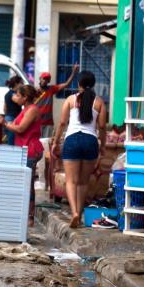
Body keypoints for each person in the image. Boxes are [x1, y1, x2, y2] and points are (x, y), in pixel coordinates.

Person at [51, 71, 107, 228]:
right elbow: (102, 126)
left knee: (71, 180)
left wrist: (55, 142)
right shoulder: (99, 102)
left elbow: (62, 123)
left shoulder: (70, 99)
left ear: (79, 84)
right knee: (83, 182)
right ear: (93, 84)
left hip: (72, 140)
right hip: (90, 141)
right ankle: (80, 213)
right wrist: (102, 145)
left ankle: (74, 212)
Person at [0, 85, 44, 223]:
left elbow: (20, 128)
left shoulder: (32, 110)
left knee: (27, 183)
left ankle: (29, 216)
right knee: (24, 182)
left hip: (31, 150)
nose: (15, 98)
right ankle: (23, 213)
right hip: (24, 149)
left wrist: (5, 123)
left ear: (25, 98)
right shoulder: (25, 110)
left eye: (18, 95)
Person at [35, 63, 79, 138]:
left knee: (45, 144)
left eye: (47, 79)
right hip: (36, 122)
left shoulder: (51, 89)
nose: (45, 81)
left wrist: (73, 73)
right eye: (43, 79)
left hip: (48, 123)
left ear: (48, 81)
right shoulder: (34, 91)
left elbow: (66, 84)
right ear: (40, 79)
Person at [3, 75, 24, 145]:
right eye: (21, 83)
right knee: (12, 143)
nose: (23, 85)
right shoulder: (13, 94)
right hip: (12, 120)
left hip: (8, 118)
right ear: (16, 84)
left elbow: (5, 109)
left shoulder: (7, 94)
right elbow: (18, 100)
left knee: (11, 142)